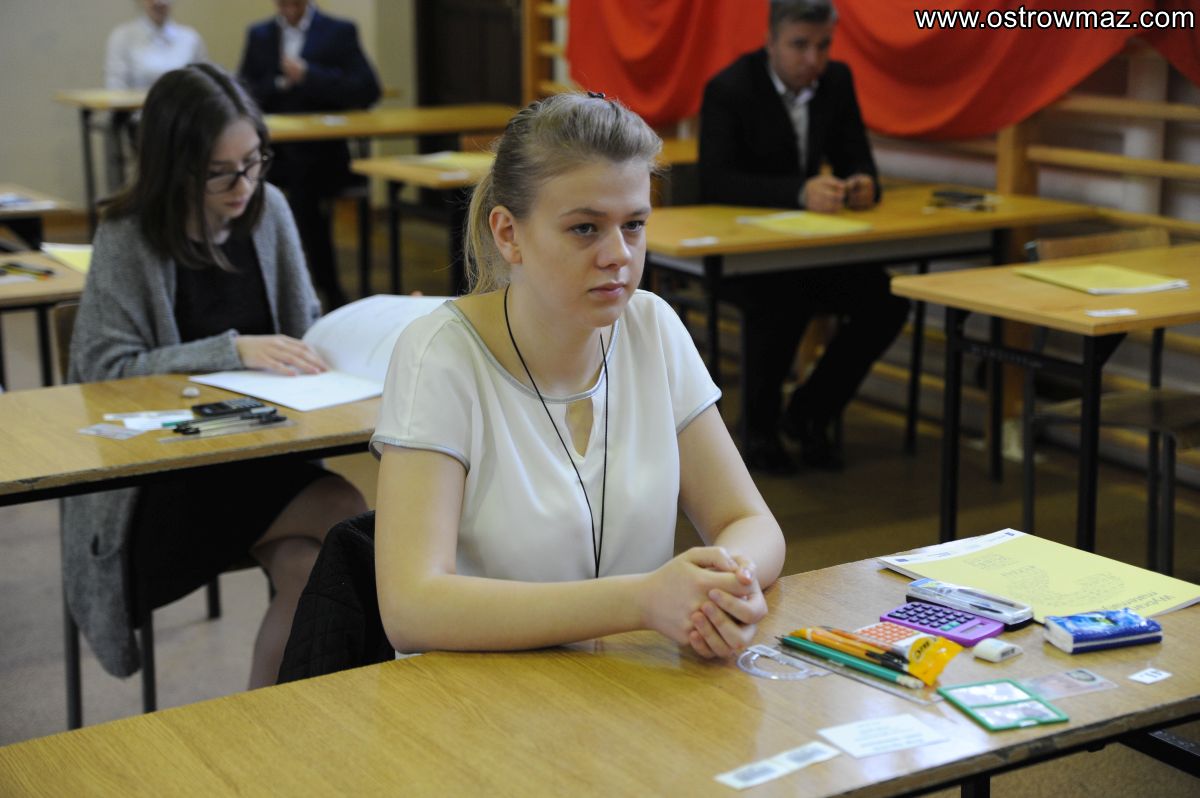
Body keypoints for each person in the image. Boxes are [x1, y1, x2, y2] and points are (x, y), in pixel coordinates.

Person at [370, 93, 785, 659]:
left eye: (634, 225)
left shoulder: (653, 327)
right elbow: (411, 608)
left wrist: (728, 583)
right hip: (481, 697)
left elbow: (749, 520)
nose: (619, 254)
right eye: (586, 228)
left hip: (628, 687)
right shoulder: (439, 355)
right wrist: (642, 601)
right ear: (508, 234)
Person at [62, 64, 367, 689]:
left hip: (257, 453)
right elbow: (103, 371)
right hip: (162, 479)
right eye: (221, 172)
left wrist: (375, 331)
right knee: (346, 521)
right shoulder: (128, 234)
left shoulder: (269, 209)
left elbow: (303, 332)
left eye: (254, 161)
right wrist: (231, 351)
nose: (244, 184)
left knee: (317, 562)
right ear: (174, 168)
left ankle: (264, 722)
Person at [699, 0, 911, 474]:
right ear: (771, 41)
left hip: (807, 251)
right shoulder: (730, 87)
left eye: (823, 45)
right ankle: (759, 430)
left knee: (888, 299)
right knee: (782, 299)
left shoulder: (836, 81)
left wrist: (862, 184)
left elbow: (857, 156)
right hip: (741, 255)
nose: (813, 59)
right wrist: (798, 192)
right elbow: (716, 181)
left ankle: (810, 411)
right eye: (799, 45)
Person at [238, 0, 381, 310]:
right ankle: (277, 286)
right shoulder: (260, 35)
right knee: (249, 183)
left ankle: (316, 288)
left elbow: (367, 90)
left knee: (304, 188)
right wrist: (280, 82)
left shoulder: (338, 32)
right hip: (275, 152)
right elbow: (244, 91)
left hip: (324, 153)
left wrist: (309, 75)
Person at [105, 0, 208, 91]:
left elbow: (203, 85)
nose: (159, 2)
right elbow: (116, 87)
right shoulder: (122, 37)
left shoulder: (191, 39)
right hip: (137, 107)